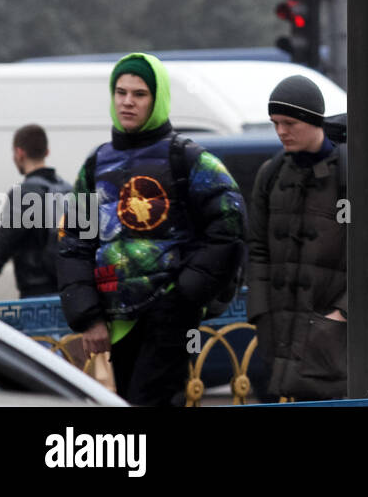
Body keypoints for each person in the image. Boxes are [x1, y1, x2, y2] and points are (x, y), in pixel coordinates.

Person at [57, 53, 247, 407]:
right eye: (121, 91)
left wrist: (186, 293)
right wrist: (88, 316)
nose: (128, 101)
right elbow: (73, 244)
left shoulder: (189, 159)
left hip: (172, 317)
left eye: (140, 94)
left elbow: (230, 225)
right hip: (116, 319)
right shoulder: (95, 163)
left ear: (157, 99)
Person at [248, 75, 368, 401]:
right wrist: (261, 314)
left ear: (312, 119)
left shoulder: (352, 174)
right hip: (278, 338)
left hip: (333, 344)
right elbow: (258, 249)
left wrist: (341, 315)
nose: (280, 132)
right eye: (275, 123)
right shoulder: (271, 174)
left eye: (289, 122)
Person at [0, 124, 71, 297]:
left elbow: (2, 247)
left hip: (37, 296)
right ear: (47, 152)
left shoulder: (25, 193)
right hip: (73, 298)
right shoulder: (72, 190)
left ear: (19, 153)